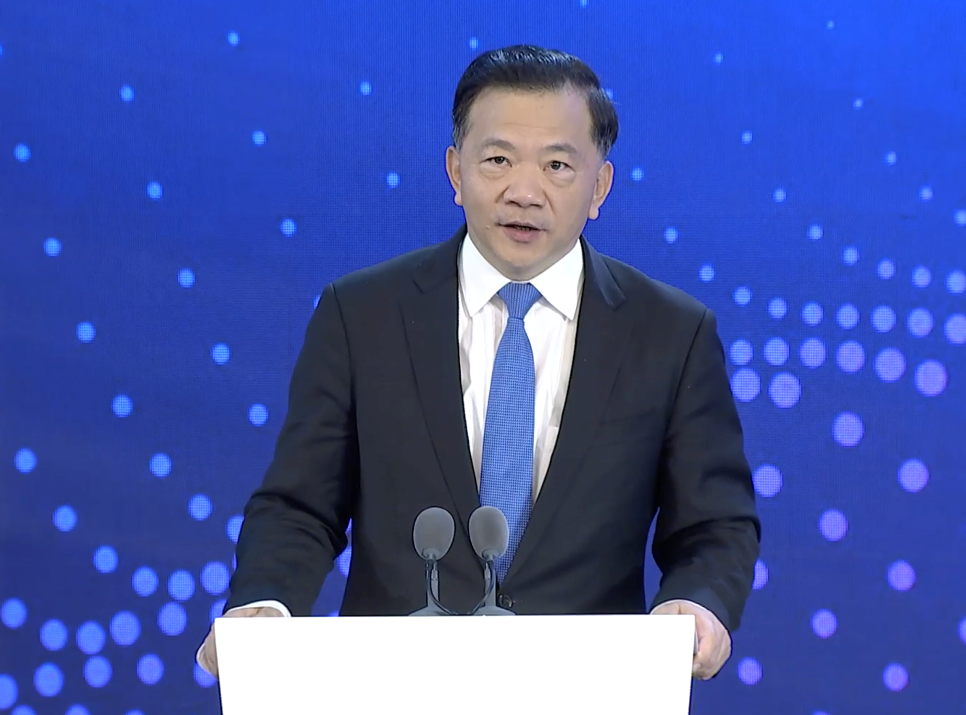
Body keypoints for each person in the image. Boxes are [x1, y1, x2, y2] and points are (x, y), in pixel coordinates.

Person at [197, 44, 760, 682]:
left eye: (557, 165)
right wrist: (265, 604)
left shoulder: (671, 332)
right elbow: (301, 504)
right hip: (393, 687)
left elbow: (714, 525)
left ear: (599, 186)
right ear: (455, 171)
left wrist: (699, 604)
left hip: (586, 686)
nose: (524, 192)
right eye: (497, 160)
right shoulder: (361, 314)